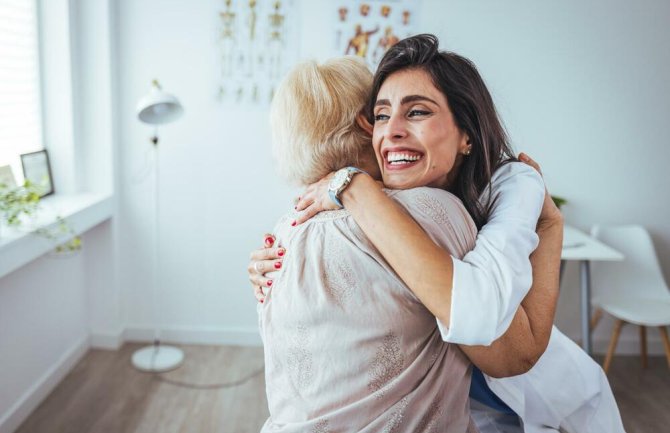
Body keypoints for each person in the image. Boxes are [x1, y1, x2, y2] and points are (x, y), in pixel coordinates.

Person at [250, 35, 625, 433]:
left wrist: (354, 186)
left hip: (552, 405)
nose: (390, 130)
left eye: (416, 113)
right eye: (379, 115)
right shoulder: (399, 208)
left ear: (467, 135)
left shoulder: (501, 188)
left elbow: (513, 353)